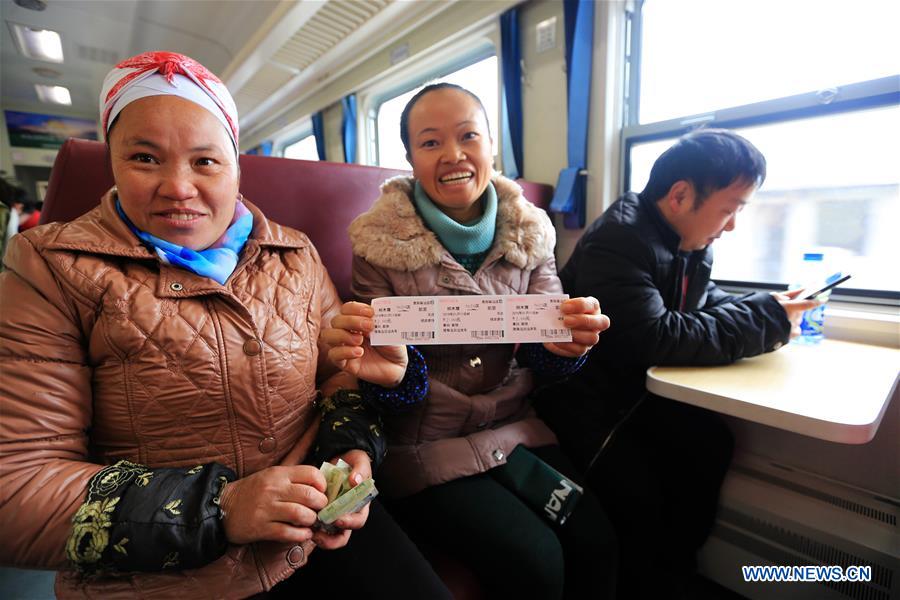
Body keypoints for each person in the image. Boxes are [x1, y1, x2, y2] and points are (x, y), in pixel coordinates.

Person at [0, 51, 449, 599]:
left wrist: (349, 451)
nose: (179, 187)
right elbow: (16, 488)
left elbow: (339, 377)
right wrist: (222, 507)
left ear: (237, 165)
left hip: (313, 533)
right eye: (145, 158)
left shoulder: (294, 254)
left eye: (205, 161)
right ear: (112, 162)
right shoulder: (48, 269)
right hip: (158, 576)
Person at [322, 83, 618, 600]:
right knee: (537, 563)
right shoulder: (375, 242)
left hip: (516, 430)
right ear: (411, 158)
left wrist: (562, 348)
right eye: (431, 142)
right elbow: (391, 376)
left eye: (468, 136)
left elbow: (541, 346)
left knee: (598, 542)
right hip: (426, 444)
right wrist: (396, 374)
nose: (453, 155)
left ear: (490, 148)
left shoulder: (532, 231)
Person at [535, 129, 820, 598]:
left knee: (711, 443)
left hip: (633, 392)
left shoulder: (689, 242)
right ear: (681, 195)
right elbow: (656, 337)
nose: (730, 226)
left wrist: (767, 305)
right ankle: (642, 581)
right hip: (583, 399)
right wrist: (767, 318)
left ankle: (672, 572)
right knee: (640, 496)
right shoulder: (620, 241)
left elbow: (703, 305)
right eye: (728, 210)